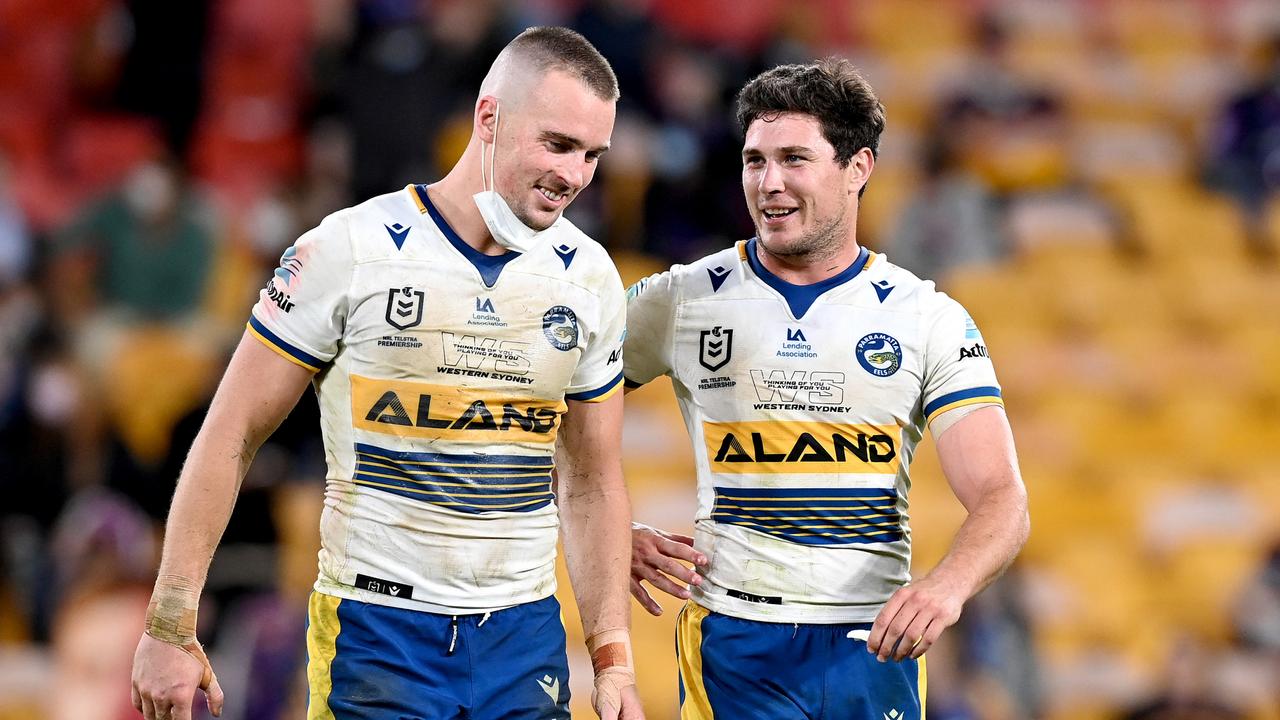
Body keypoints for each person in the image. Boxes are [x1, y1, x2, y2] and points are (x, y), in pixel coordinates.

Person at [131, 26, 643, 720]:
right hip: (377, 637)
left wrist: (613, 660)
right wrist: (169, 623)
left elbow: (590, 476)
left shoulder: (589, 279)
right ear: (488, 118)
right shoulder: (349, 251)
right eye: (557, 144)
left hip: (524, 644)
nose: (575, 175)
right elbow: (231, 433)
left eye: (592, 155)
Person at [624, 58, 1029, 719]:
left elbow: (1002, 496)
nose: (769, 183)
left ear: (859, 168)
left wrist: (946, 588)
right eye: (755, 161)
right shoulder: (682, 297)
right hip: (734, 644)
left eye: (793, 159)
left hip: (871, 648)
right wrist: (611, 530)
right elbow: (542, 415)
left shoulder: (926, 317)